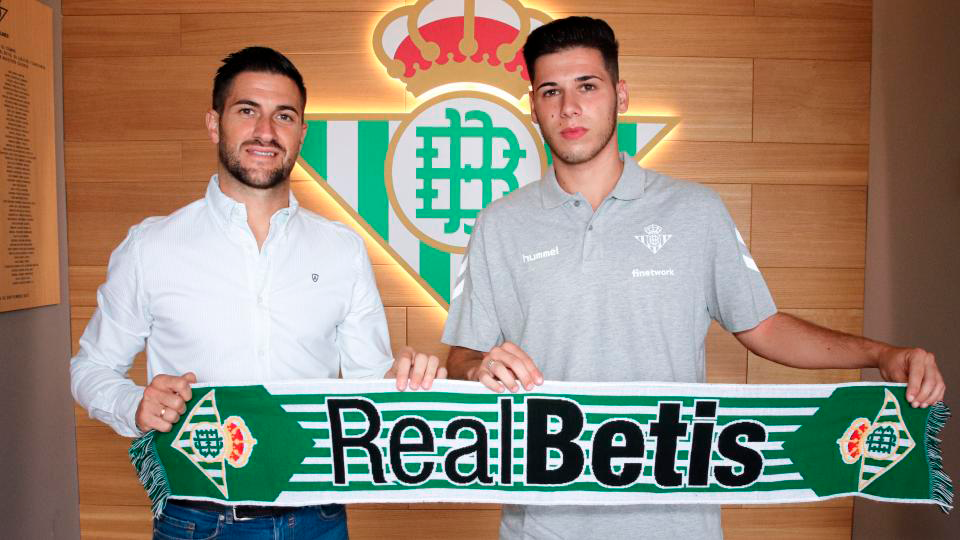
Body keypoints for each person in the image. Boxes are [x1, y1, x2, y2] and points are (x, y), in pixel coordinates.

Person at [441, 17, 945, 540]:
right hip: (541, 523)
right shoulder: (499, 224)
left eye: (587, 86)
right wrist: (480, 370)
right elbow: (461, 357)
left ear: (621, 94)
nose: (569, 107)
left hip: (674, 521)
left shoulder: (695, 211)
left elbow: (764, 328)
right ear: (533, 106)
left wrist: (883, 355)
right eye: (552, 91)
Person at [70, 46, 445, 540]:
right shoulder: (150, 247)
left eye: (283, 116)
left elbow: (366, 382)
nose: (265, 131)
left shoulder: (343, 250)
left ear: (301, 133)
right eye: (247, 111)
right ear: (214, 123)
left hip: (319, 518)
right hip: (196, 520)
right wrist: (134, 404)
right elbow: (90, 369)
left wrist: (405, 381)